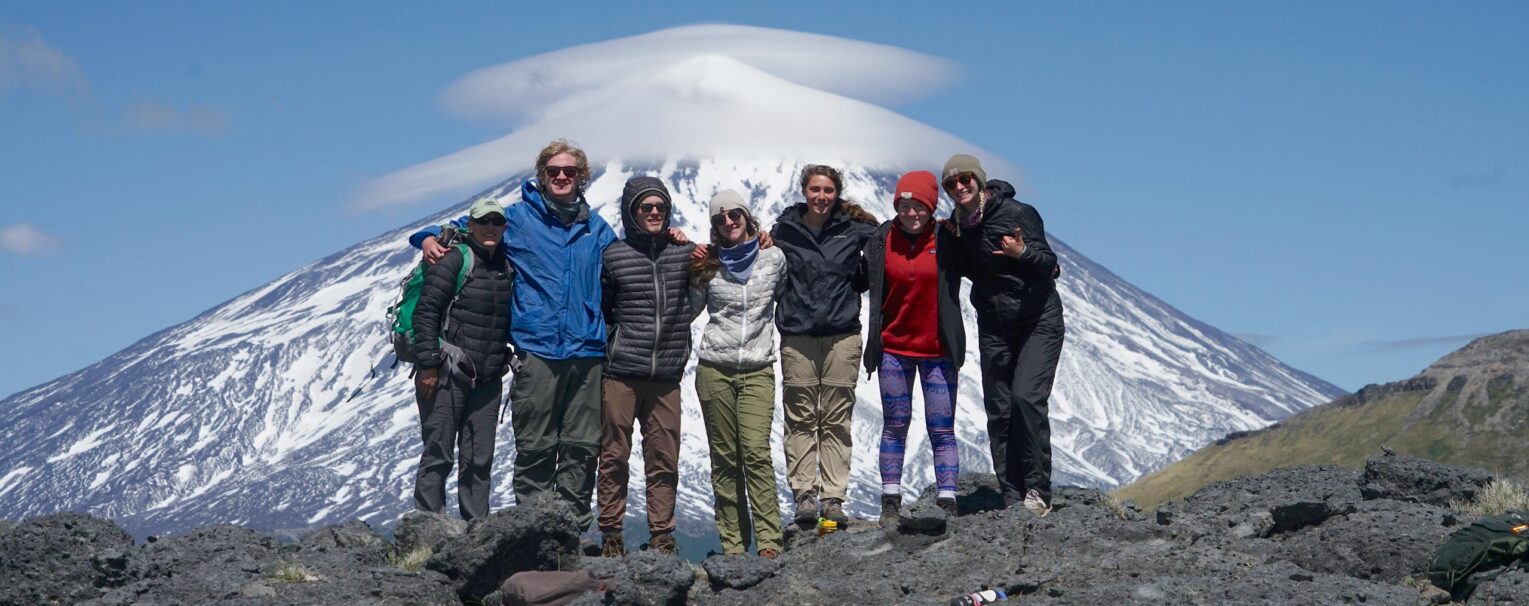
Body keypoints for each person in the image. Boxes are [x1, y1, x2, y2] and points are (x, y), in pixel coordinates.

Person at [409, 139, 616, 531]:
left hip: (586, 351)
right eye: (553, 171)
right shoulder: (515, 220)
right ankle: (534, 531)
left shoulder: (596, 228)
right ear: (541, 176)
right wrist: (427, 238)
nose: (560, 177)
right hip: (537, 351)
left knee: (581, 447)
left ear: (580, 177)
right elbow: (459, 230)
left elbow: (626, 264)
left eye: (569, 172)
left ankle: (572, 531)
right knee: (536, 446)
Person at [941, 154, 1064, 516]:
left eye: (965, 180)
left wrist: (1021, 252)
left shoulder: (1018, 214)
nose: (960, 187)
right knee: (999, 409)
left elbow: (1050, 264)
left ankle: (1038, 489)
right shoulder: (958, 226)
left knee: (1026, 399)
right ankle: (1011, 494)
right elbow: (964, 268)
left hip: (1038, 320)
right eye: (951, 184)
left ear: (979, 180)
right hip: (994, 326)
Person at [770, 164, 879, 527]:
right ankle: (804, 495)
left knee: (835, 419)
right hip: (797, 336)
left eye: (828, 191)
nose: (821, 197)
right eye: (815, 190)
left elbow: (879, 261)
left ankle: (833, 498)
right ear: (804, 191)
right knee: (800, 418)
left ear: (836, 194)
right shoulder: (784, 231)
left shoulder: (855, 230)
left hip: (842, 335)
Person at [594, 177, 694, 557]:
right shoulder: (614, 255)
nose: (653, 213)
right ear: (631, 212)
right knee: (614, 455)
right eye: (645, 207)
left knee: (664, 457)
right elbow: (602, 310)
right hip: (621, 372)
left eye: (660, 207)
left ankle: (662, 535)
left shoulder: (683, 253)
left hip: (666, 375)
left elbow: (728, 256)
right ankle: (611, 534)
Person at [860, 170, 966, 526]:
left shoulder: (949, 239)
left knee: (942, 427)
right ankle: (890, 498)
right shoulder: (880, 240)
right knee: (896, 423)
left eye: (919, 205)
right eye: (905, 205)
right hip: (893, 347)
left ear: (931, 207)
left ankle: (948, 499)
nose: (912, 213)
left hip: (938, 350)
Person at [689, 189, 789, 559]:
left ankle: (769, 541)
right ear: (713, 226)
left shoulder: (773, 258)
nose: (728, 222)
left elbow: (788, 296)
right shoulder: (708, 265)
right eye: (720, 218)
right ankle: (733, 545)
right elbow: (688, 312)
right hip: (715, 369)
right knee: (725, 458)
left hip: (758, 369)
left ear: (747, 216)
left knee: (756, 453)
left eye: (734, 215)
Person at [410, 198, 515, 522]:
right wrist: (428, 365)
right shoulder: (454, 260)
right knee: (438, 452)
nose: (490, 228)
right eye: (484, 222)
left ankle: (477, 532)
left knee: (479, 459)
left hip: (488, 378)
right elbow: (425, 312)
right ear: (469, 226)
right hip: (445, 373)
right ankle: (428, 529)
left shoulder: (507, 265)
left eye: (497, 222)